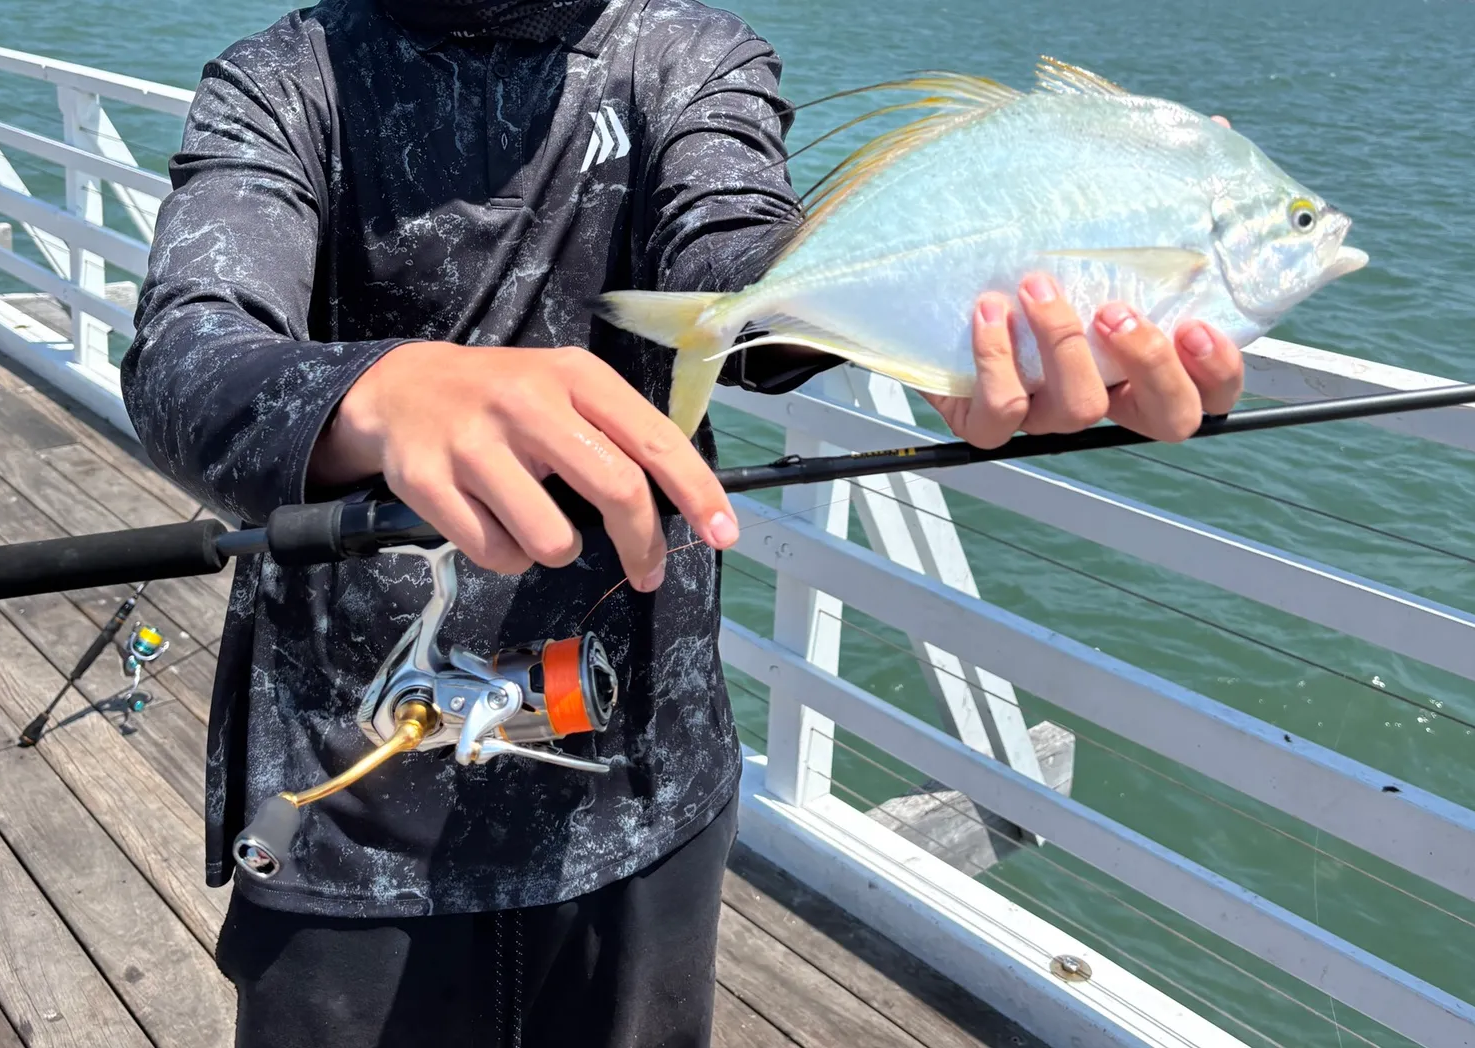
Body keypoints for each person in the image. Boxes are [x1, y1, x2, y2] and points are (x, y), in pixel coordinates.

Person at [120, 1, 1245, 1045]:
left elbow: (737, 256)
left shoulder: (683, 55)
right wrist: (388, 390)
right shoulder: (285, 78)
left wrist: (984, 313)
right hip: (349, 803)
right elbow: (187, 354)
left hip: (642, 784)